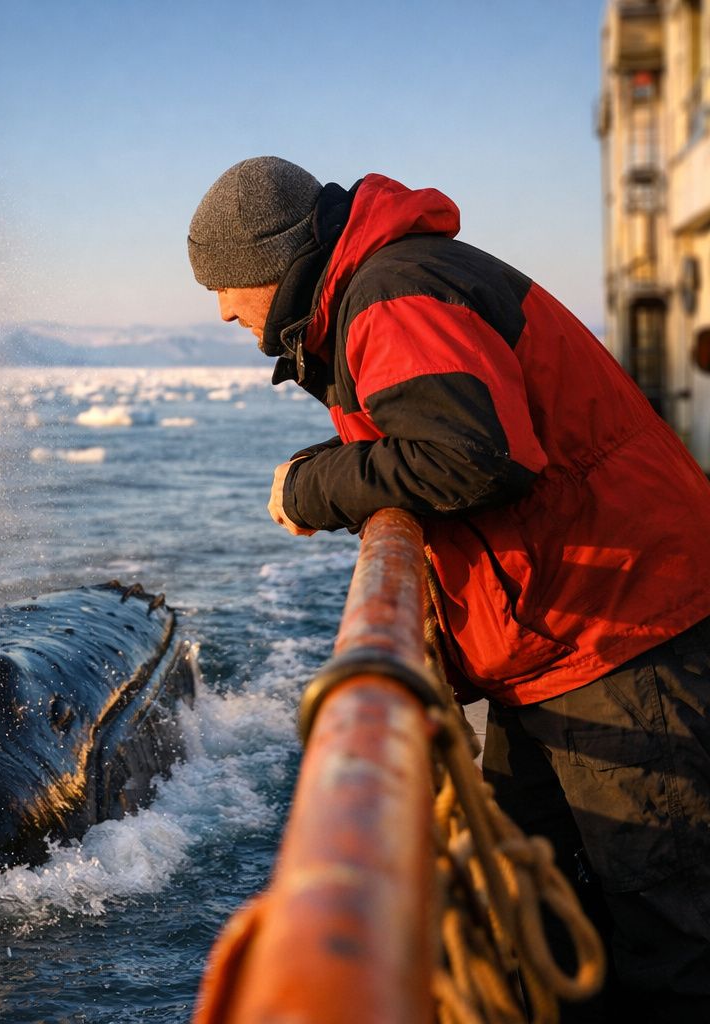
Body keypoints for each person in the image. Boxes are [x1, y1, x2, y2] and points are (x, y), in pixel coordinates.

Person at [187, 155, 710, 1021]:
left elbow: (471, 456)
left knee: (669, 929)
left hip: (620, 627)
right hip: (566, 633)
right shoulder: (383, 284)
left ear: (271, 266)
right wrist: (338, 467)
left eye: (225, 287)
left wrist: (313, 490)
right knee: (533, 902)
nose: (222, 311)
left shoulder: (392, 294)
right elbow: (435, 432)